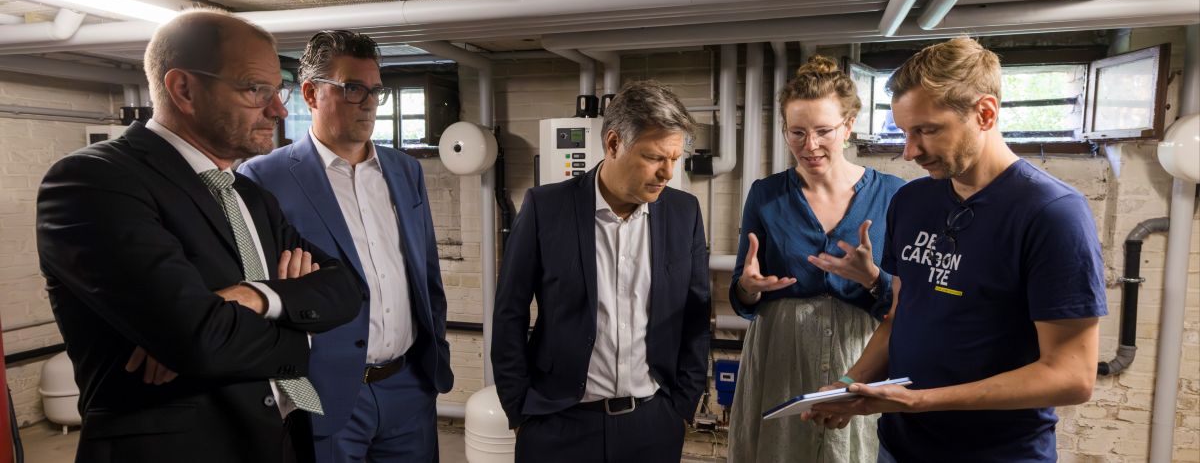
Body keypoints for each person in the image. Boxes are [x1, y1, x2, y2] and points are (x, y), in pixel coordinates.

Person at [35, 10, 363, 463]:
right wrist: (302, 330)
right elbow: (199, 342)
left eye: (278, 89)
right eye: (255, 90)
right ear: (184, 89)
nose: (279, 109)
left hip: (281, 438)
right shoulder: (93, 182)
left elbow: (345, 289)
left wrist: (256, 297)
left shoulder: (248, 193)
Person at [806, 37, 1106, 463]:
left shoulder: (1052, 213)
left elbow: (1072, 376)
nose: (910, 151)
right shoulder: (912, 202)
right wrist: (848, 386)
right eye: (905, 132)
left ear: (985, 113)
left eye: (927, 130)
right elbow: (899, 317)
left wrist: (920, 400)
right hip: (900, 447)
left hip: (998, 454)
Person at [241, 30, 453, 462]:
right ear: (311, 94)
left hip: (409, 383)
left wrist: (434, 358)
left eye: (376, 90)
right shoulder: (264, 177)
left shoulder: (404, 170)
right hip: (326, 390)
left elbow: (424, 271)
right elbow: (257, 287)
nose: (369, 101)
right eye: (353, 88)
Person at [491, 80, 711, 463]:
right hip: (559, 423)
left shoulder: (684, 213)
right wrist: (520, 411)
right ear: (613, 144)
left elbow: (695, 315)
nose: (667, 173)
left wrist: (682, 408)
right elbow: (509, 311)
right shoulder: (546, 208)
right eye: (655, 157)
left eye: (675, 158)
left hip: (653, 423)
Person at [726, 55, 905, 463]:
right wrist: (749, 289)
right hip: (780, 354)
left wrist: (874, 278)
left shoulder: (894, 194)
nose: (810, 146)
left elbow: (904, 303)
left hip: (860, 353)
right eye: (797, 132)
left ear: (848, 126)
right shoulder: (765, 194)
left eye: (823, 131)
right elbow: (742, 291)